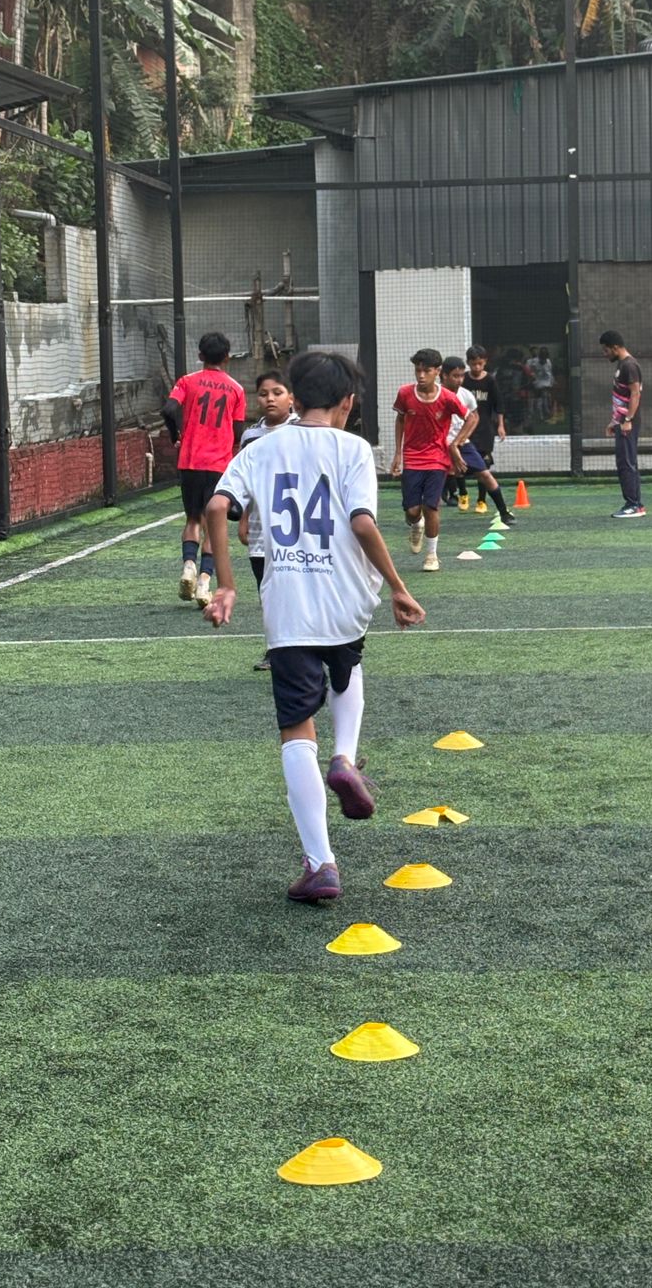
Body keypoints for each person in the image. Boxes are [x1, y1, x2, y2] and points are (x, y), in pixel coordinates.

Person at [202, 351, 426, 904]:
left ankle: (320, 863)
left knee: (296, 726)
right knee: (348, 668)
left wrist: (227, 584)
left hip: (289, 605)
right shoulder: (353, 449)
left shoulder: (260, 448)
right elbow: (362, 522)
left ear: (295, 399)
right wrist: (398, 585)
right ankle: (345, 758)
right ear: (348, 402)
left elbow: (217, 508)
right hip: (346, 597)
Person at [163, 331, 247, 607]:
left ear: (200, 356)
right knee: (214, 526)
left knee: (192, 520)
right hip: (219, 464)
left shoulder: (187, 381)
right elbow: (238, 429)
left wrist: (176, 434)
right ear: (227, 358)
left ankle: (188, 566)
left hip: (190, 461)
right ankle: (204, 584)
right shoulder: (236, 389)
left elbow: (169, 409)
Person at [237, 370, 298, 672]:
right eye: (263, 394)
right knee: (267, 592)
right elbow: (243, 481)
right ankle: (276, 648)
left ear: (291, 398)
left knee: (296, 589)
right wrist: (243, 517)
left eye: (277, 392)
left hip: (297, 530)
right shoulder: (250, 436)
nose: (270, 399)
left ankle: (303, 647)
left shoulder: (303, 430)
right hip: (261, 531)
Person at [391, 348, 467, 572]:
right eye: (418, 370)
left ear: (437, 371)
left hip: (437, 458)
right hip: (412, 458)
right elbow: (400, 419)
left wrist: (455, 444)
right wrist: (398, 453)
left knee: (430, 507)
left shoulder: (448, 397)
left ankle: (432, 555)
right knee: (412, 511)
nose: (421, 375)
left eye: (426, 371)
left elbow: (471, 417)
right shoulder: (405, 393)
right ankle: (416, 525)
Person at [440, 357, 516, 525]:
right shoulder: (435, 394)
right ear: (444, 375)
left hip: (462, 443)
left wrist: (459, 441)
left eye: (461, 376)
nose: (460, 380)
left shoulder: (466, 395)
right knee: (431, 480)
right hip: (438, 445)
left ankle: (504, 512)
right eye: (455, 376)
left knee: (485, 473)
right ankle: (421, 518)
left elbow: (474, 417)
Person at [599, 331, 644, 518]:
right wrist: (615, 421)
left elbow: (635, 394)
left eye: (606, 350)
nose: (605, 354)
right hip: (622, 422)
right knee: (625, 462)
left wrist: (627, 420)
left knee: (627, 463)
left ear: (615, 347)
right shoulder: (622, 365)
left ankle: (633, 505)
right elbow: (622, 397)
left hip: (628, 423)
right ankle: (635, 504)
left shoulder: (630, 365)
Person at [464, 345, 507, 512]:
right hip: (466, 428)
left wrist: (501, 425)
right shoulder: (464, 380)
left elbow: (499, 404)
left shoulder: (490, 380)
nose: (477, 367)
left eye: (480, 364)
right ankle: (462, 493)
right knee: (460, 464)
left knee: (482, 464)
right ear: (468, 363)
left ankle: (481, 500)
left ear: (485, 362)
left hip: (484, 429)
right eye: (473, 364)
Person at [530, 345, 555, 424]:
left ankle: (545, 414)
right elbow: (532, 371)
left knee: (545, 399)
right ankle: (541, 415)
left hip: (546, 382)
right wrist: (533, 377)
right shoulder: (535, 362)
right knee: (540, 399)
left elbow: (550, 372)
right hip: (538, 383)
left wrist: (552, 381)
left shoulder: (548, 361)